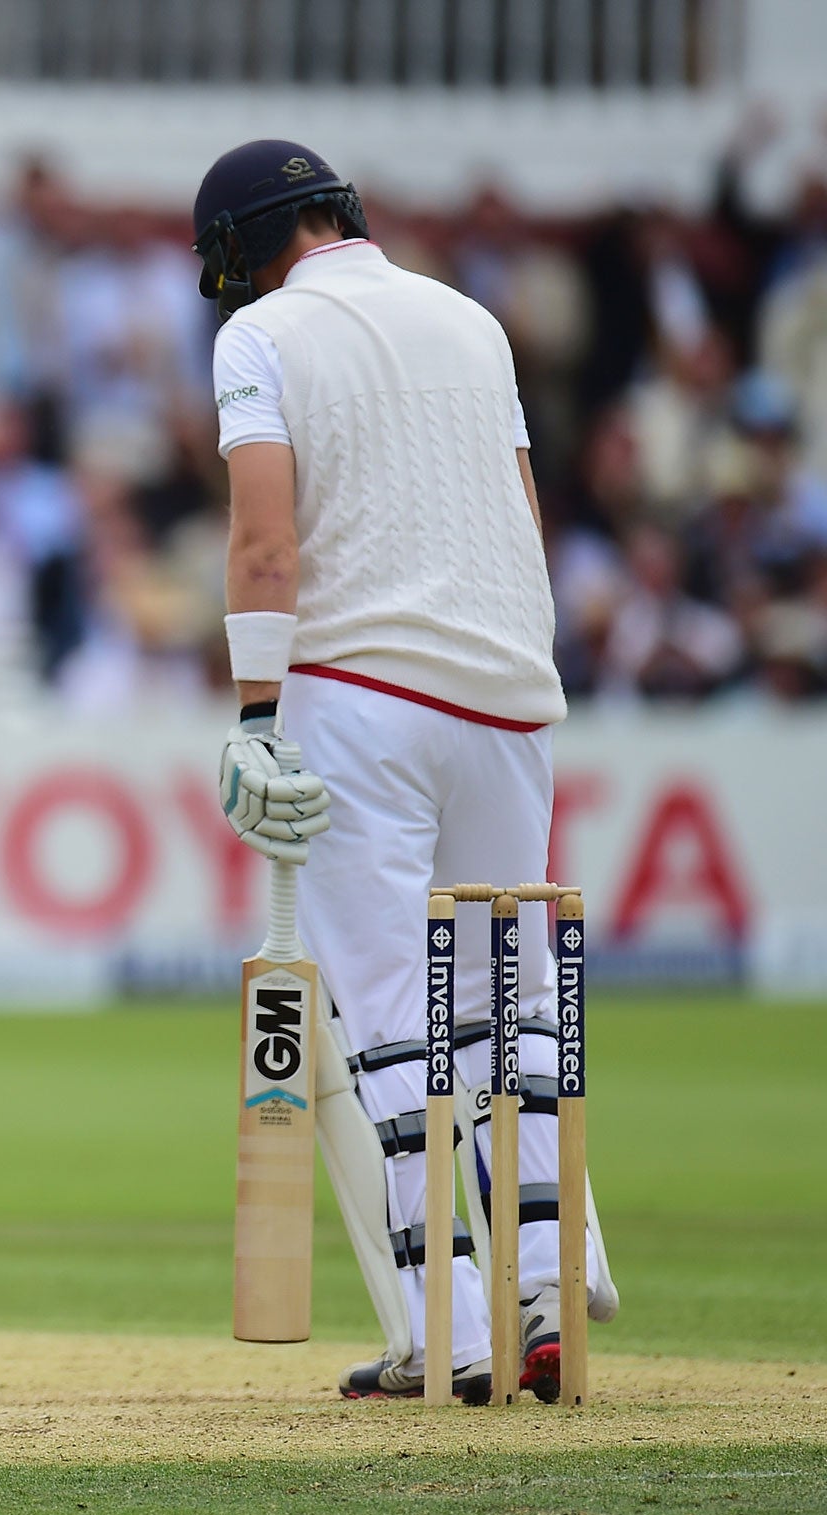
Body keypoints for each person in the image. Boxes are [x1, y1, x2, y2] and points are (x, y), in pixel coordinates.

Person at [196, 141, 619, 1405]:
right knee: (513, 998)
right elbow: (519, 517)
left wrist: (257, 710)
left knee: (391, 1015)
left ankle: (454, 1336)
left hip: (358, 696)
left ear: (239, 246)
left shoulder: (259, 336)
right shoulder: (470, 319)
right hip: (507, 696)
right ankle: (550, 1291)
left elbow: (263, 537)